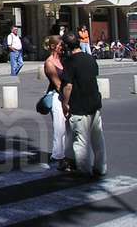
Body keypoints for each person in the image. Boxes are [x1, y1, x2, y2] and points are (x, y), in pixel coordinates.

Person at [61, 31, 107, 177]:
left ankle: (84, 170)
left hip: (79, 106)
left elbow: (68, 86)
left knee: (80, 141)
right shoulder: (90, 58)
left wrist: (65, 103)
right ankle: (101, 167)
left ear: (67, 46)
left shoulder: (69, 61)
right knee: (97, 139)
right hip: (94, 103)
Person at [43, 35, 74, 171]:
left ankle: (66, 155)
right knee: (59, 125)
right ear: (53, 46)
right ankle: (57, 155)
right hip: (57, 95)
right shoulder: (49, 63)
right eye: (61, 44)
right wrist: (66, 99)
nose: (63, 47)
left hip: (66, 94)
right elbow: (57, 84)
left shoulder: (64, 58)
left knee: (68, 126)